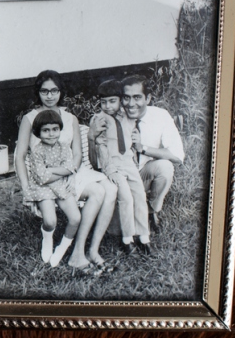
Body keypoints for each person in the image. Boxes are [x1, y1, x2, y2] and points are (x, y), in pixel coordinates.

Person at [14, 70, 117, 268]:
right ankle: (76, 252)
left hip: (71, 171)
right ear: (39, 93)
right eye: (45, 91)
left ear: (61, 92)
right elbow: (19, 156)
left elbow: (77, 154)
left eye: (54, 90)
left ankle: (88, 250)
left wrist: (71, 172)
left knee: (109, 189)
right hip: (45, 176)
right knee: (98, 191)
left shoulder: (70, 119)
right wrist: (26, 187)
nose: (50, 96)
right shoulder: (30, 118)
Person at [89, 79, 151, 255]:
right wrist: (108, 168)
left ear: (120, 100)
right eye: (103, 102)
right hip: (113, 165)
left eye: (112, 101)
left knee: (139, 195)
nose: (107, 106)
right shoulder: (99, 119)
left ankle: (144, 236)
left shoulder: (126, 115)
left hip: (128, 162)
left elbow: (130, 136)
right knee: (126, 198)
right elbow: (100, 146)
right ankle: (127, 238)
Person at [116, 75, 185, 234]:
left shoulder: (160, 116)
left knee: (165, 167)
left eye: (137, 97)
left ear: (148, 98)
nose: (131, 104)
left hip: (142, 172)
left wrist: (143, 148)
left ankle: (151, 210)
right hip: (121, 177)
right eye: (126, 98)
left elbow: (177, 155)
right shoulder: (115, 117)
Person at [25, 110, 83, 266]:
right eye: (46, 130)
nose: (51, 134)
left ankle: (63, 247)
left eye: (55, 129)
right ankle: (47, 238)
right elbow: (41, 178)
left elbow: (70, 167)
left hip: (61, 185)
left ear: (60, 129)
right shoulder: (37, 151)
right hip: (43, 187)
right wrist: (60, 170)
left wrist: (49, 169)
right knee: (50, 221)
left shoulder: (64, 147)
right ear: (38, 132)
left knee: (75, 218)